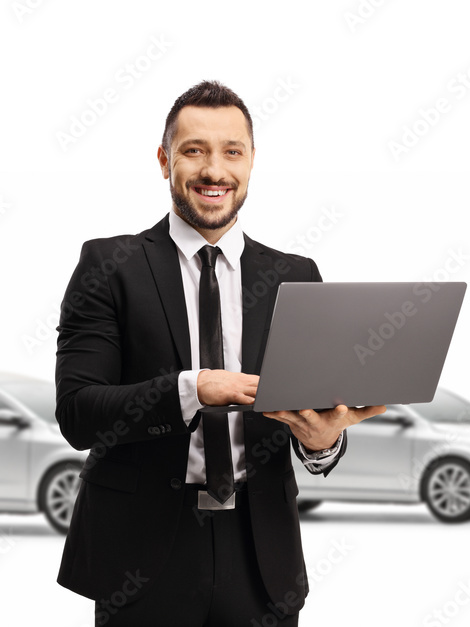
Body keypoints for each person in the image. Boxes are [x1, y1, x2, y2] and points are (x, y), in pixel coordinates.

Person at [54, 80, 385, 626]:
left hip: (261, 555)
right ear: (165, 161)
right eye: (194, 151)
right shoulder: (108, 267)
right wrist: (192, 390)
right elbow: (78, 415)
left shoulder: (295, 278)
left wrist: (324, 444)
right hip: (143, 552)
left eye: (232, 152)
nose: (214, 170)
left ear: (252, 162)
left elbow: (314, 418)